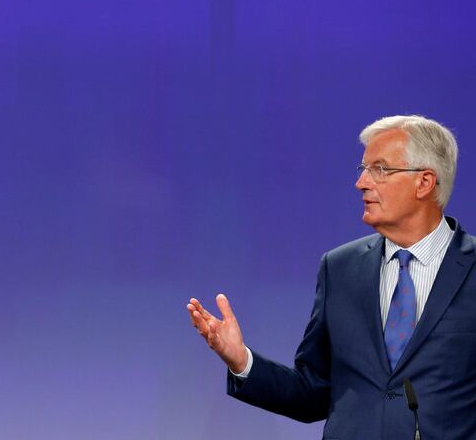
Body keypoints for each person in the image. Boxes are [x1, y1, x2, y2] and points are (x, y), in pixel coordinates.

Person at [187, 115, 476, 439]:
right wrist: (242, 361)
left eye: (380, 169)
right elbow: (313, 393)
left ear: (424, 182)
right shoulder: (340, 268)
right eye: (363, 169)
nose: (362, 182)